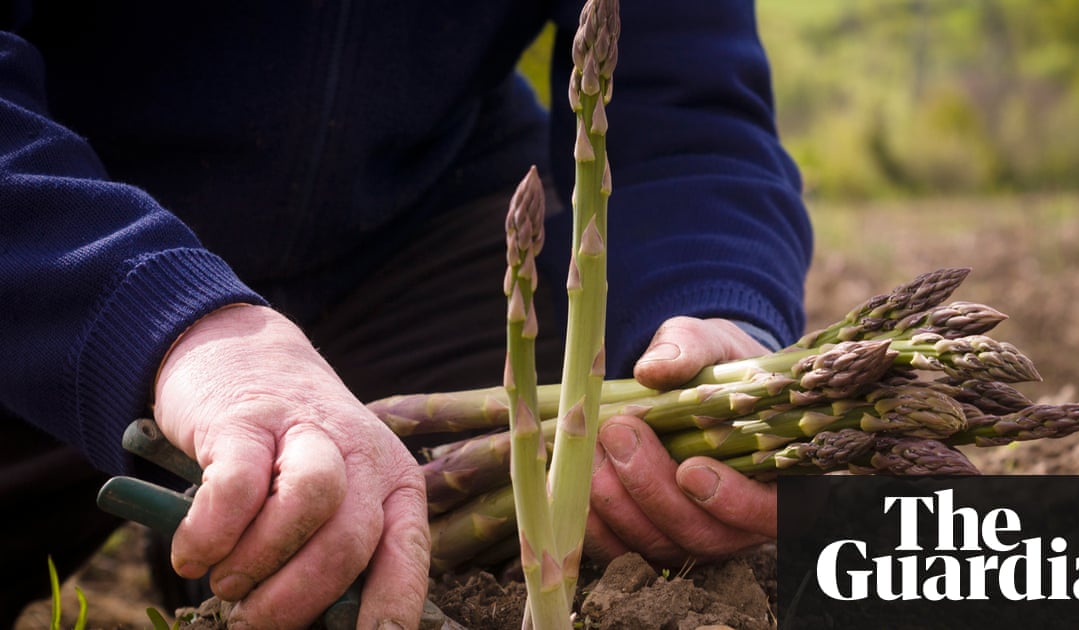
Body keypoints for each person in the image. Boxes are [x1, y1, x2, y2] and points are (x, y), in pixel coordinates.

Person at [0, 1, 812, 627]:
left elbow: (683, 101)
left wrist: (713, 313)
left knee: (543, 515)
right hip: (51, 248)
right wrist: (166, 318)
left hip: (422, 236)